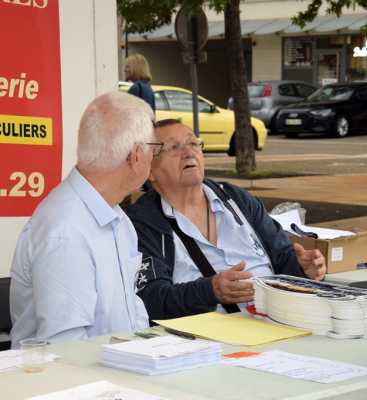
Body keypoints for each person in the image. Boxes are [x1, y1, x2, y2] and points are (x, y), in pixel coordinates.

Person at [125, 119, 327, 321]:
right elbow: (150, 300)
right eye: (173, 147)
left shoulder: (237, 200)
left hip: (279, 321)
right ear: (149, 169)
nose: (188, 153)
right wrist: (210, 290)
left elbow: (284, 259)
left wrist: (304, 270)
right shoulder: (143, 222)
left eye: (193, 143)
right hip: (205, 342)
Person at [10, 92, 163, 347]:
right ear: (136, 155)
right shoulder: (66, 231)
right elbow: (65, 349)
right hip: (69, 381)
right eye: (154, 148)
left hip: (116, 373)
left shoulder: (117, 219)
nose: (154, 157)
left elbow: (132, 312)